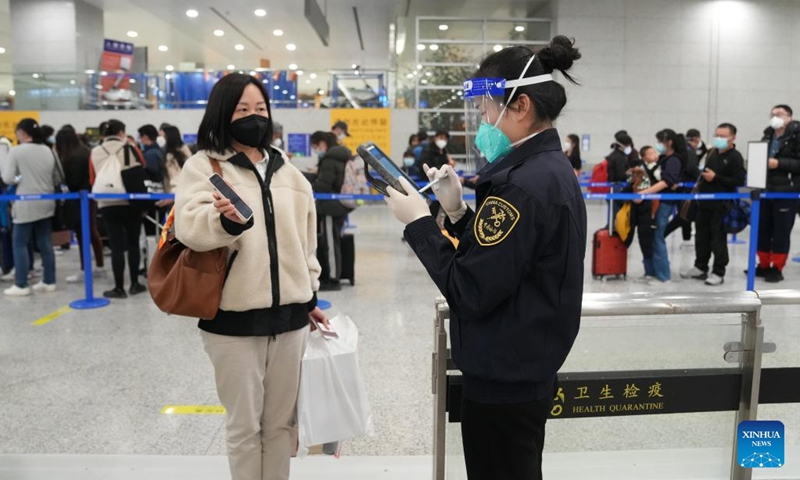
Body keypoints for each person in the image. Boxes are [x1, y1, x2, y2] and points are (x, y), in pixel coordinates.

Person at [385, 37, 586, 480]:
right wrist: (458, 215)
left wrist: (419, 223)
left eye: (487, 108)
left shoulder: (520, 184)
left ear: (521, 106)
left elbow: (471, 288)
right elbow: (509, 258)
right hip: (526, 363)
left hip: (504, 377)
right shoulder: (548, 169)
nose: (482, 120)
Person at [174, 73, 327, 480]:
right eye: (243, 109)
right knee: (244, 428)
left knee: (280, 427)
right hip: (232, 320)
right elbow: (188, 228)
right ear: (223, 113)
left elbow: (305, 244)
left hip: (291, 319)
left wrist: (310, 298)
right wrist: (224, 221)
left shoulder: (288, 171)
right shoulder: (204, 167)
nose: (253, 117)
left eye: (260, 109)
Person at [0, 118, 61, 296]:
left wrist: (21, 178)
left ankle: (21, 284)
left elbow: (8, 178)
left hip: (25, 202)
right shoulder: (48, 151)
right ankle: (49, 281)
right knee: (44, 242)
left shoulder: (16, 151)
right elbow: (57, 177)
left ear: (23, 133)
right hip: (47, 201)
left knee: (19, 242)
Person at [681, 123, 746, 286]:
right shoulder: (712, 153)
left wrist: (716, 177)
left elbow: (738, 180)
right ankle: (700, 267)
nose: (719, 139)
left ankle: (718, 271)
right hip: (704, 203)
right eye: (717, 135)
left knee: (717, 240)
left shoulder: (735, 157)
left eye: (723, 136)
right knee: (702, 237)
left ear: (733, 138)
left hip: (721, 206)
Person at [90, 119, 147, 299]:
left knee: (116, 246)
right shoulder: (130, 148)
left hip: (107, 202)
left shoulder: (95, 151)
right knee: (132, 243)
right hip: (130, 201)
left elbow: (92, 179)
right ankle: (135, 284)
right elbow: (141, 169)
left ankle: (118, 287)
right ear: (121, 132)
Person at [635, 129, 687, 285]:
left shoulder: (673, 160)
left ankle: (664, 276)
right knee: (654, 236)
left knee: (658, 237)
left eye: (659, 141)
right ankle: (653, 272)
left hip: (664, 202)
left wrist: (644, 193)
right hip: (657, 201)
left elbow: (666, 182)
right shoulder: (666, 158)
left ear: (668, 142)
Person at [756, 104, 800, 282]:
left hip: (787, 191)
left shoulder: (796, 137)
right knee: (763, 229)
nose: (775, 117)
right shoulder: (768, 135)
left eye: (780, 114)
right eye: (772, 114)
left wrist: (779, 164)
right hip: (766, 189)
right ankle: (764, 264)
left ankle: (777, 267)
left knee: (781, 231)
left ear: (789, 117)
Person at [56, 127, 106, 283]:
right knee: (92, 231)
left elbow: (73, 182)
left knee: (83, 233)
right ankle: (99, 265)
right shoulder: (84, 151)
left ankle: (85, 269)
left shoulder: (72, 157)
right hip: (89, 197)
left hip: (79, 199)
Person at [310, 130, 353, 291]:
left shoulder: (329, 159)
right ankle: (333, 275)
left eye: (315, 146)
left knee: (330, 244)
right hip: (339, 206)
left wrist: (311, 183)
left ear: (322, 143)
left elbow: (324, 186)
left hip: (330, 207)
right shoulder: (341, 155)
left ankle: (333, 279)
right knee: (333, 242)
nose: (316, 150)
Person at [628, 146, 659, 282]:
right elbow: (631, 185)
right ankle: (649, 270)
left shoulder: (658, 169)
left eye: (654, 152)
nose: (654, 155)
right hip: (640, 211)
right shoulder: (640, 170)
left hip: (650, 210)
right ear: (644, 157)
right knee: (644, 240)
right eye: (650, 153)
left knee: (648, 241)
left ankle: (651, 272)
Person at [663, 137, 700, 248]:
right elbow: (692, 169)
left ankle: (685, 238)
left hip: (685, 189)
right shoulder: (685, 153)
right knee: (683, 215)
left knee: (684, 215)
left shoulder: (683, 154)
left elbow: (690, 169)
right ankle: (684, 238)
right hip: (684, 189)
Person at [419, 130, 455, 221]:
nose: (442, 140)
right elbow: (426, 166)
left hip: (440, 183)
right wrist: (443, 168)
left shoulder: (443, 151)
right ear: (435, 137)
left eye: (445, 138)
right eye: (440, 137)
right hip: (429, 182)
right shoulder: (428, 149)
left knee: (439, 207)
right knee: (431, 208)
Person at [161, 125, 192, 198]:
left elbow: (176, 177)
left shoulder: (182, 152)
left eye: (165, 136)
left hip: (179, 192)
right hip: (174, 191)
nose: (164, 139)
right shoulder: (169, 153)